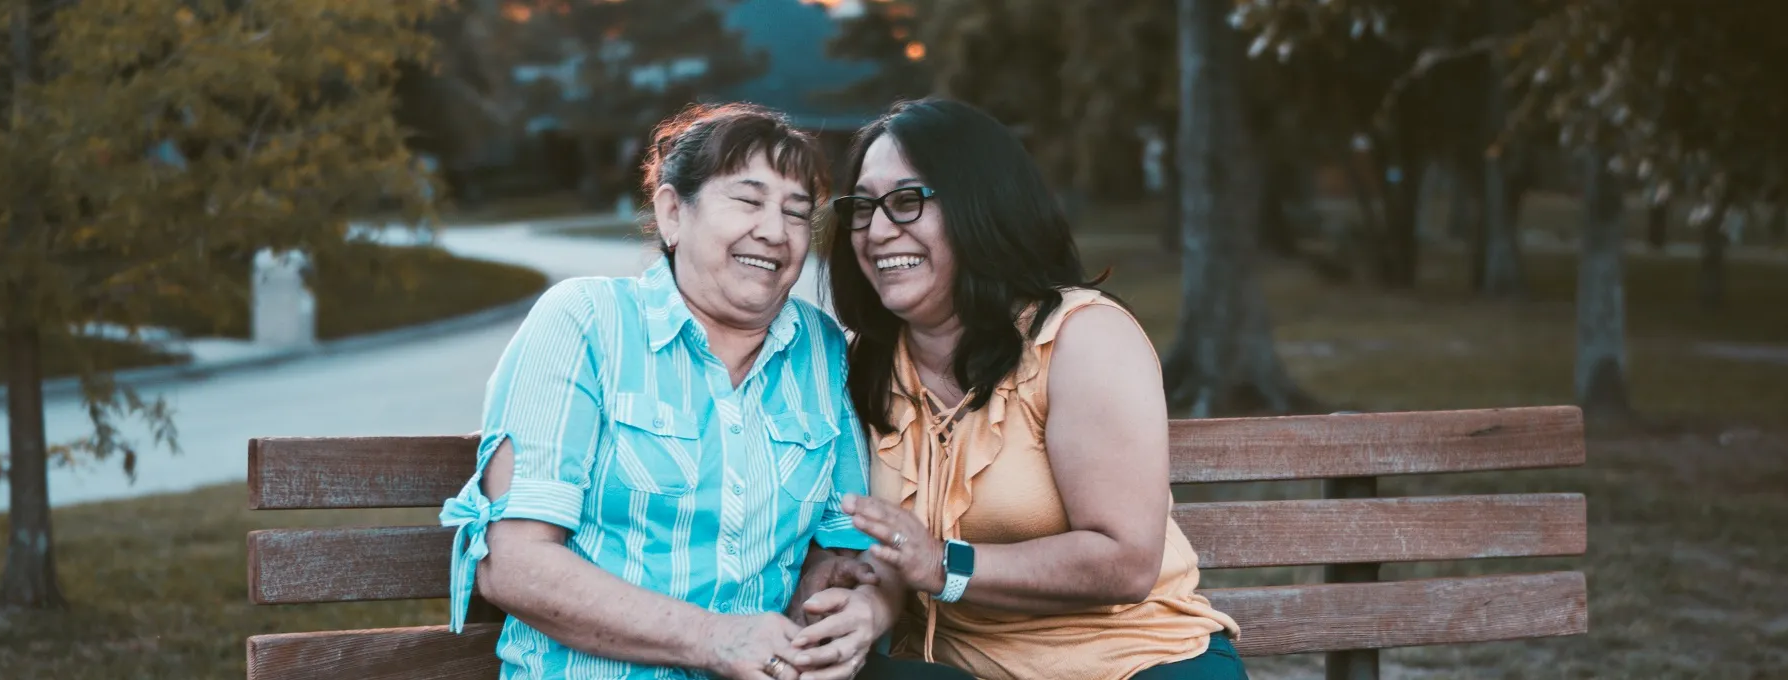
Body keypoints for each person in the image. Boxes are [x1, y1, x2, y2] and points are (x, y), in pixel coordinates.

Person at [437, 102, 961, 680]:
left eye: (796, 212)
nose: (774, 231)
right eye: (747, 200)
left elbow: (843, 548)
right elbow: (515, 565)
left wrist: (853, 600)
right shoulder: (586, 322)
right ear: (671, 214)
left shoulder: (821, 348)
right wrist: (716, 639)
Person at [811, 97, 1249, 679]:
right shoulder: (864, 362)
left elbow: (1124, 561)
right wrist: (853, 589)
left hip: (1133, 663)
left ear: (981, 207)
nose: (878, 229)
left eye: (908, 201)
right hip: (953, 668)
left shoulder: (1081, 339)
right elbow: (869, 546)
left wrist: (944, 564)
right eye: (862, 207)